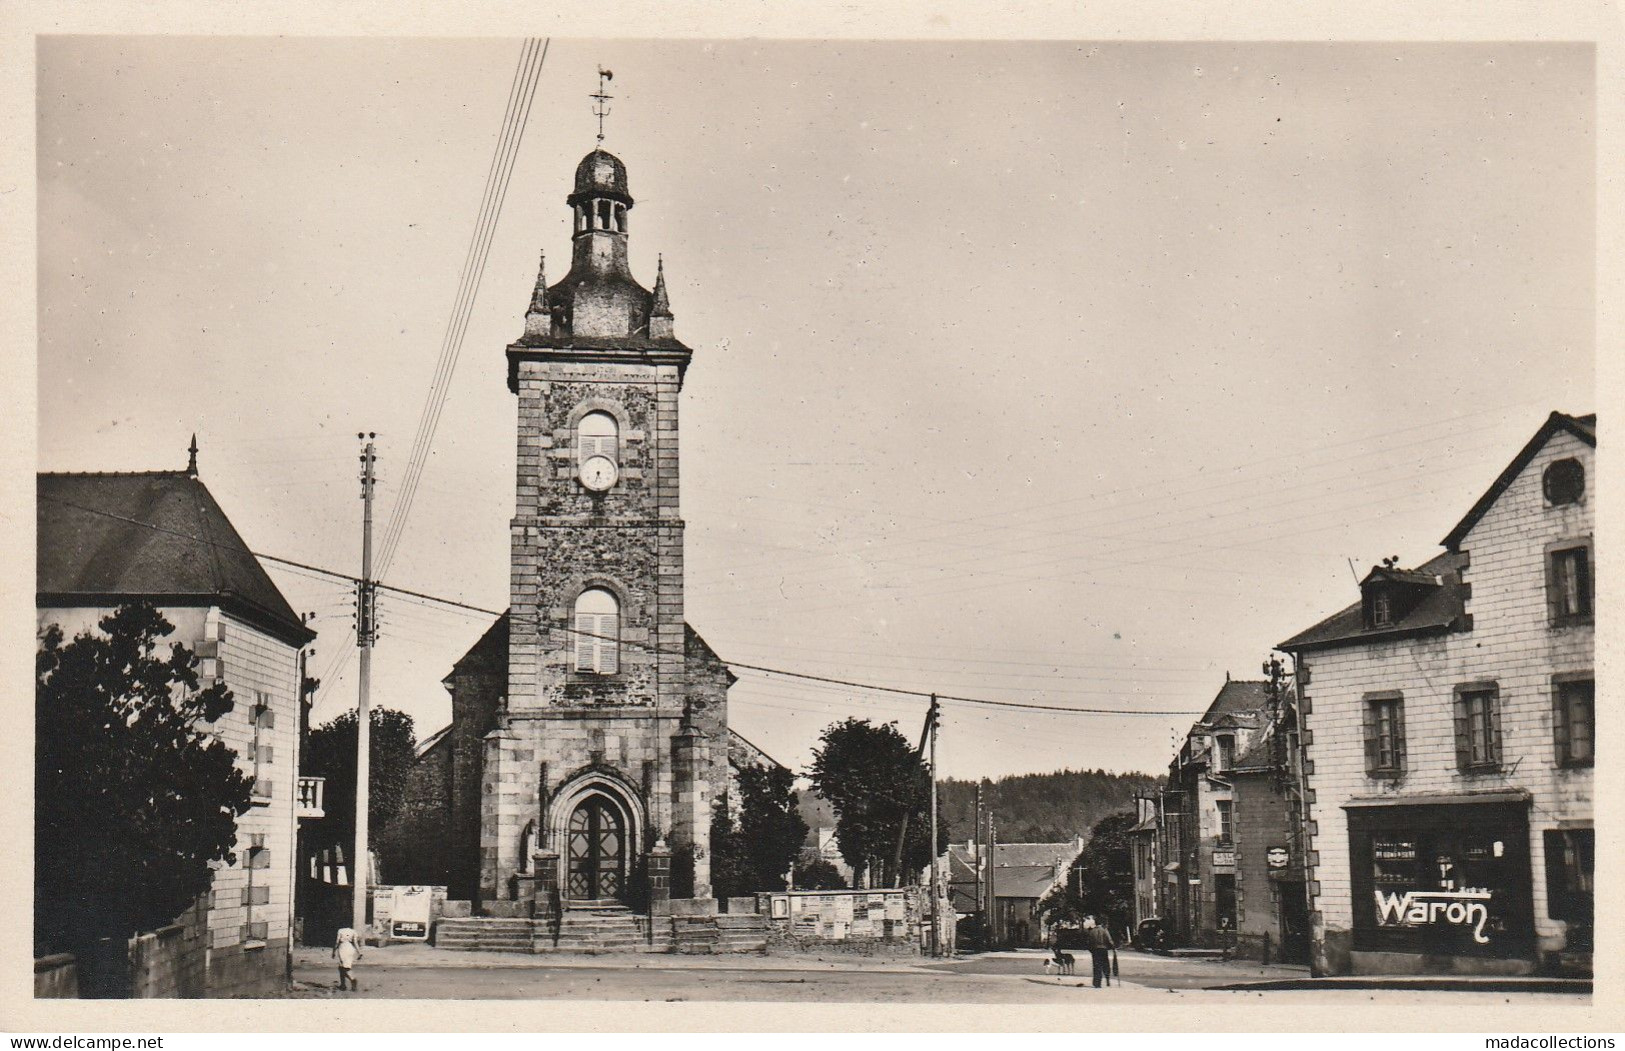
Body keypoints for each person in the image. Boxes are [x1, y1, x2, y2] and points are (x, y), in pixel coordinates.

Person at [1082, 915, 1115, 988]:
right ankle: (1107, 979)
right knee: (1105, 965)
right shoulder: (1104, 930)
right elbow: (1109, 940)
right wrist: (1113, 947)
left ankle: (1097, 983)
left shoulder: (1092, 931)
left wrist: (1092, 950)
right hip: (1103, 950)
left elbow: (1089, 943)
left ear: (1095, 923)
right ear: (1101, 923)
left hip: (1095, 950)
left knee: (1097, 966)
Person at [334, 927, 363, 992]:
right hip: (350, 948)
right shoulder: (353, 931)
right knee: (344, 967)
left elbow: (337, 942)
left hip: (343, 948)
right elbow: (355, 943)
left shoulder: (340, 930)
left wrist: (333, 951)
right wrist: (359, 953)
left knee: (343, 967)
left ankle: (352, 979)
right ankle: (343, 985)